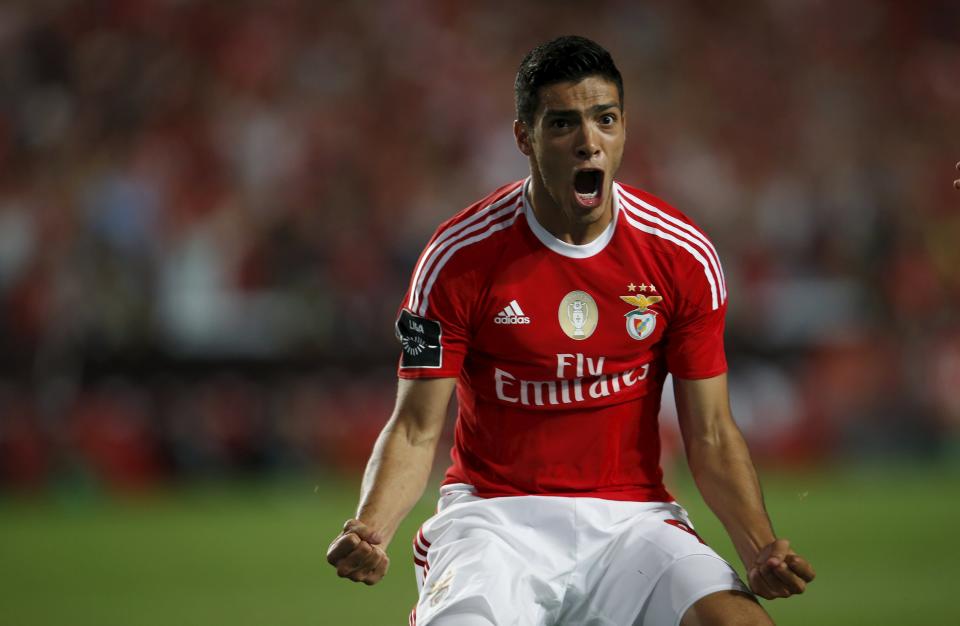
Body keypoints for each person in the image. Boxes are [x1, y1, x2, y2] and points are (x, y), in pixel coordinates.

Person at [326, 35, 815, 626]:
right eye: (563, 124)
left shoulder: (681, 255)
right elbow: (413, 427)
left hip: (633, 523)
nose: (589, 142)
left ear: (624, 129)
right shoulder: (456, 258)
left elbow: (710, 433)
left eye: (604, 120)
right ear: (524, 138)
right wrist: (370, 529)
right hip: (496, 522)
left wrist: (759, 546)